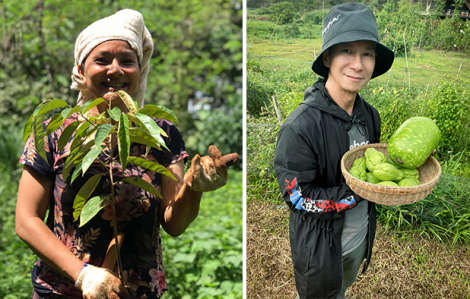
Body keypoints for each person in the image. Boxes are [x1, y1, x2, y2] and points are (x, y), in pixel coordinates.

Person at [16, 9, 237, 299]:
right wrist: (83, 275)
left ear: (140, 69)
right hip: (62, 290)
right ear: (81, 71)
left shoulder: (160, 134)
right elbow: (26, 220)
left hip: (137, 292)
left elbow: (174, 223)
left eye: (127, 61)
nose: (116, 69)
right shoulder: (55, 133)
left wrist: (195, 188)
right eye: (102, 60)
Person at [274, 3, 394, 299]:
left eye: (367, 53)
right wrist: (359, 193)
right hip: (319, 250)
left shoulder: (370, 116)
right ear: (327, 57)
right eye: (347, 51)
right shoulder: (301, 126)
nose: (358, 64)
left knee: (344, 286)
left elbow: (372, 166)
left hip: (359, 239)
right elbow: (297, 197)